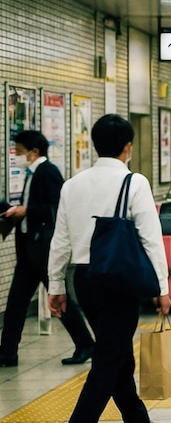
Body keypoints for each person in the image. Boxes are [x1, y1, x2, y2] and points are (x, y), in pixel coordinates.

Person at [47, 114, 170, 423]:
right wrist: (161, 288)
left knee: (114, 353)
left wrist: (56, 286)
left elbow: (61, 241)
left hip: (85, 280)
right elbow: (150, 237)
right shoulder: (134, 182)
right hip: (119, 280)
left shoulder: (72, 184)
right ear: (127, 147)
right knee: (108, 359)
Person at [0, 130, 95, 367]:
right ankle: (8, 352)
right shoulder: (32, 174)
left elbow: (57, 207)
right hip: (28, 250)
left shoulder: (48, 172)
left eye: (19, 151)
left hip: (43, 250)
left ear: (34, 152)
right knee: (16, 303)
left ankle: (85, 344)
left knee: (60, 299)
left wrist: (26, 211)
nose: (16, 155)